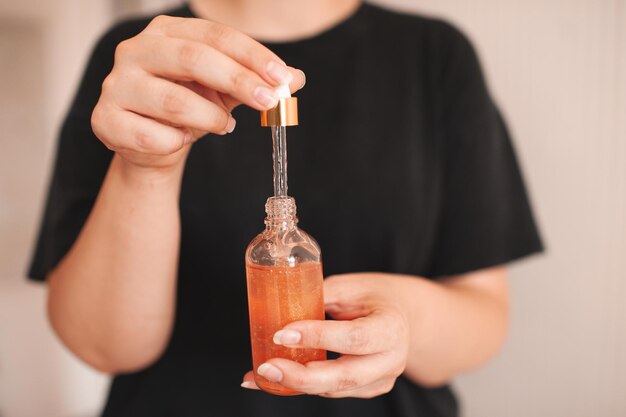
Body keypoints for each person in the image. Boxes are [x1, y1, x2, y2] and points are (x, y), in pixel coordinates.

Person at [28, 0, 543, 416]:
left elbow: (483, 315)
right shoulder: (143, 64)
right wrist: (143, 168)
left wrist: (409, 317)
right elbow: (103, 347)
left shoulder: (435, 55)